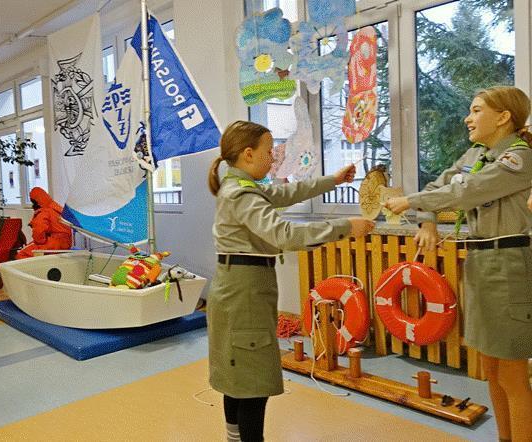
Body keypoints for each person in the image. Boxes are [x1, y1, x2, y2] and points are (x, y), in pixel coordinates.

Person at [207, 120, 375, 442]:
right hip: (244, 292)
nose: (273, 157)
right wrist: (345, 227)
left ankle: (234, 438)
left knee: (238, 374)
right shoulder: (241, 194)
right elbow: (283, 234)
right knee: (252, 382)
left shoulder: (240, 186)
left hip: (239, 287)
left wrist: (332, 180)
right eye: (269, 151)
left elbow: (287, 192)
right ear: (248, 154)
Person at [385, 86, 532, 442]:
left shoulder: (519, 157)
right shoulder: (476, 154)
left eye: (477, 110)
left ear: (503, 117)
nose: (468, 118)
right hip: (481, 262)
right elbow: (439, 185)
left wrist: (410, 202)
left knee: (512, 374)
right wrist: (428, 222)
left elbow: (468, 191)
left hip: (508, 265)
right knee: (491, 369)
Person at [15, 187, 72, 259]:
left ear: (35, 202)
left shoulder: (44, 212)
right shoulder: (56, 207)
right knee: (30, 246)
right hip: (66, 243)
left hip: (56, 242)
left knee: (21, 254)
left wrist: (39, 242)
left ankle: (38, 266)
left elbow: (39, 233)